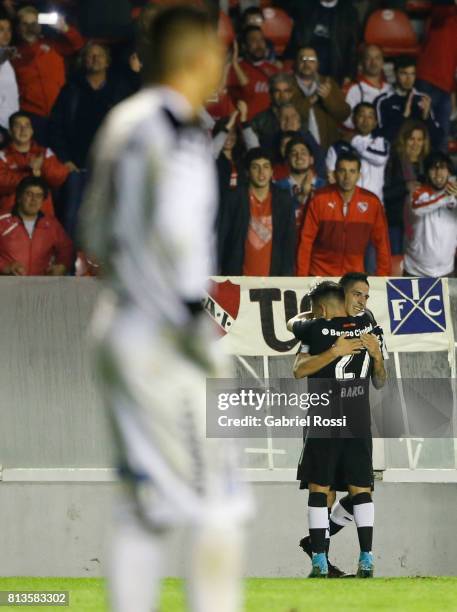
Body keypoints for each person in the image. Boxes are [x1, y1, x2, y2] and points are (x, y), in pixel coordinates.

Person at [79, 7, 251, 612]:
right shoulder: (179, 132)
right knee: (220, 502)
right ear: (202, 60)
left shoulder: (121, 123)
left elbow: (92, 231)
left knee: (144, 506)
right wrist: (191, 326)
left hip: (117, 324)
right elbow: (180, 238)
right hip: (165, 339)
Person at [290, 280, 387, 578]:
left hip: (331, 419)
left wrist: (371, 355)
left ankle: (319, 553)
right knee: (357, 489)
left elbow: (297, 364)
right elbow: (380, 382)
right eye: (357, 294)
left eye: (365, 296)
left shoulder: (315, 330)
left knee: (328, 489)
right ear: (345, 297)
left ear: (318, 308)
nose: (362, 300)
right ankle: (345, 560)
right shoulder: (369, 326)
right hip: (352, 420)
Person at [48, 41, 132, 238]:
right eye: (90, 55)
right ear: (83, 60)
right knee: (71, 219)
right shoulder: (71, 89)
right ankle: (68, 266)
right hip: (77, 167)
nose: (94, 59)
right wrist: (65, 159)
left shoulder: (120, 89)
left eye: (99, 55)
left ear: (107, 61)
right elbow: (56, 127)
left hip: (110, 168)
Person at [296, 151, 391, 277]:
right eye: (342, 171)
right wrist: (301, 278)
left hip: (354, 277)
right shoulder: (319, 199)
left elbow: (382, 243)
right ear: (335, 174)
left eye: (352, 171)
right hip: (319, 274)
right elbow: (305, 241)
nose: (347, 177)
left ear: (359, 175)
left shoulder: (372, 202)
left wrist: (383, 277)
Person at [11, 5, 84, 144]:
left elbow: (78, 45)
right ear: (18, 28)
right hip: (33, 116)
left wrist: (65, 29)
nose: (29, 28)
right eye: (24, 24)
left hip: (61, 112)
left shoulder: (54, 45)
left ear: (39, 26)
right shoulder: (13, 54)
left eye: (33, 24)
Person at [218, 147, 296, 276]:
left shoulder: (283, 199)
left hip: (272, 279)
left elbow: (288, 242)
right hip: (237, 277)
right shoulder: (233, 198)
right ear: (247, 172)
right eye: (255, 167)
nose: (261, 172)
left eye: (266, 167)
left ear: (272, 171)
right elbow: (222, 236)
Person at [0, 111, 69, 216]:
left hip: (42, 217)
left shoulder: (44, 153)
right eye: (18, 126)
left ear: (32, 131)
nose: (23, 130)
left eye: (27, 126)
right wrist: (31, 174)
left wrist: (43, 166)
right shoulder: (2, 155)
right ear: (10, 131)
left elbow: (59, 176)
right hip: (10, 219)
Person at [0, 176, 73, 275]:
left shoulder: (51, 224)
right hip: (7, 285)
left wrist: (62, 265)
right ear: (19, 197)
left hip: (40, 287)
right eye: (29, 194)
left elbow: (66, 248)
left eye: (39, 196)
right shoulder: (2, 219)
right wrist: (5, 267)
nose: (34, 199)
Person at [403, 152, 457, 277]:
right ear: (427, 172)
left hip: (446, 271)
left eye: (442, 168)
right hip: (415, 271)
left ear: (449, 172)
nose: (438, 173)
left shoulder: (454, 194)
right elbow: (418, 208)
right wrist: (446, 197)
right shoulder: (417, 192)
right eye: (433, 168)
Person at [284, 0, 360, 85]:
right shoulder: (304, 7)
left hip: (334, 71)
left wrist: (349, 74)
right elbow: (295, 40)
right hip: (306, 67)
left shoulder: (349, 12)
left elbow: (352, 47)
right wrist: (285, 60)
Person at [383, 120, 430, 255]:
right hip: (396, 223)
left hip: (422, 224)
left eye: (419, 139)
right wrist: (405, 187)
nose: (415, 144)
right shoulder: (393, 161)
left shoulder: (428, 164)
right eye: (411, 139)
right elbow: (384, 194)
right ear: (404, 140)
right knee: (396, 264)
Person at [375, 56, 442, 149]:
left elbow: (436, 139)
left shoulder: (423, 99)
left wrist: (426, 117)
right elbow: (381, 138)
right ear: (395, 74)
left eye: (412, 74)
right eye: (404, 74)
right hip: (393, 154)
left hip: (419, 155)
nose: (409, 79)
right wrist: (404, 116)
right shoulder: (383, 101)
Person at [326, 102, 389, 201]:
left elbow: (380, 159)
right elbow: (331, 177)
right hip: (347, 206)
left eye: (370, 117)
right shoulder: (338, 147)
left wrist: (354, 140)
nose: (365, 120)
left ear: (375, 123)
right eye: (361, 115)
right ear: (353, 119)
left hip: (374, 205)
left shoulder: (381, 142)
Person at [291, 46, 351, 151]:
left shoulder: (329, 83)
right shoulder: (287, 84)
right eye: (303, 59)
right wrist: (312, 99)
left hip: (327, 149)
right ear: (296, 62)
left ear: (318, 63)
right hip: (297, 149)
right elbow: (287, 113)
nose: (307, 64)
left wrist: (328, 98)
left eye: (311, 60)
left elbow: (344, 114)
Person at [416, 2, 457, 151]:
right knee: (421, 133)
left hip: (445, 86)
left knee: (442, 137)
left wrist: (452, 88)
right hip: (427, 80)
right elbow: (441, 11)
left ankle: (439, 173)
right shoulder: (445, 11)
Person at [227, 26, 279, 120]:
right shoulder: (235, 69)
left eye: (261, 40)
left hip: (270, 126)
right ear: (244, 46)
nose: (259, 44)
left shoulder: (274, 69)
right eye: (253, 40)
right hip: (246, 125)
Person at [275, 136, 325, 231]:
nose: (299, 157)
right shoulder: (278, 188)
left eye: (303, 153)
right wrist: (300, 197)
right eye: (294, 153)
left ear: (311, 159)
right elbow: (278, 220)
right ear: (287, 160)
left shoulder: (324, 186)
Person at [343, 44, 391, 130]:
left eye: (377, 58)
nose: (373, 62)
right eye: (369, 58)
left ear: (383, 62)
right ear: (362, 62)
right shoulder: (352, 88)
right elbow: (345, 121)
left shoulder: (390, 88)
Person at [250, 72, 295, 151]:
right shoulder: (259, 121)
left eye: (286, 91)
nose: (282, 96)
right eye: (277, 91)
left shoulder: (300, 117)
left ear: (291, 94)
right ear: (270, 94)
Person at [0, 9, 18, 132]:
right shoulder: (5, 55)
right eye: (1, 30)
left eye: (9, 30)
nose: (7, 35)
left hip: (9, 126)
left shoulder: (8, 60)